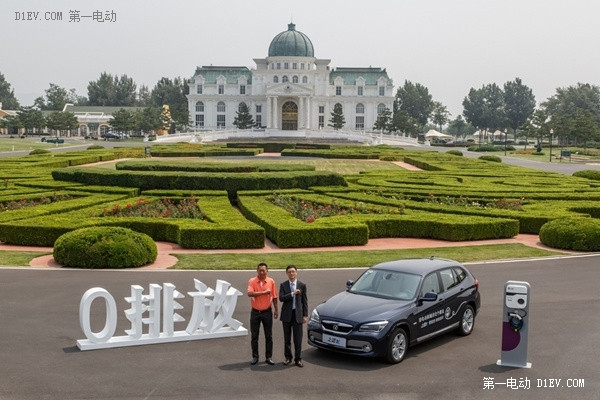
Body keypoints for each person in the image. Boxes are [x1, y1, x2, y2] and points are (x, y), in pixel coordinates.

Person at [247, 262, 278, 366]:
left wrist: (276, 310)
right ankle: (255, 356)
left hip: (267, 312)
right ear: (257, 271)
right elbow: (249, 293)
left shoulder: (271, 281)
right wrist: (264, 292)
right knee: (254, 336)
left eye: (263, 270)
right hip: (255, 312)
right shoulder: (252, 281)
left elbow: (274, 297)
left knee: (268, 335)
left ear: (267, 271)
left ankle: (268, 357)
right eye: (260, 270)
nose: (262, 272)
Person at [279, 265, 308, 367]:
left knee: (298, 338)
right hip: (287, 315)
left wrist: (305, 315)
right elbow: (281, 298)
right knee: (287, 339)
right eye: (289, 272)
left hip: (298, 315)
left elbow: (305, 301)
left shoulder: (302, 285)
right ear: (286, 273)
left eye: (293, 272)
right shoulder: (283, 285)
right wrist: (292, 293)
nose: (291, 274)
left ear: (296, 273)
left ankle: (298, 359)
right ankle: (288, 358)